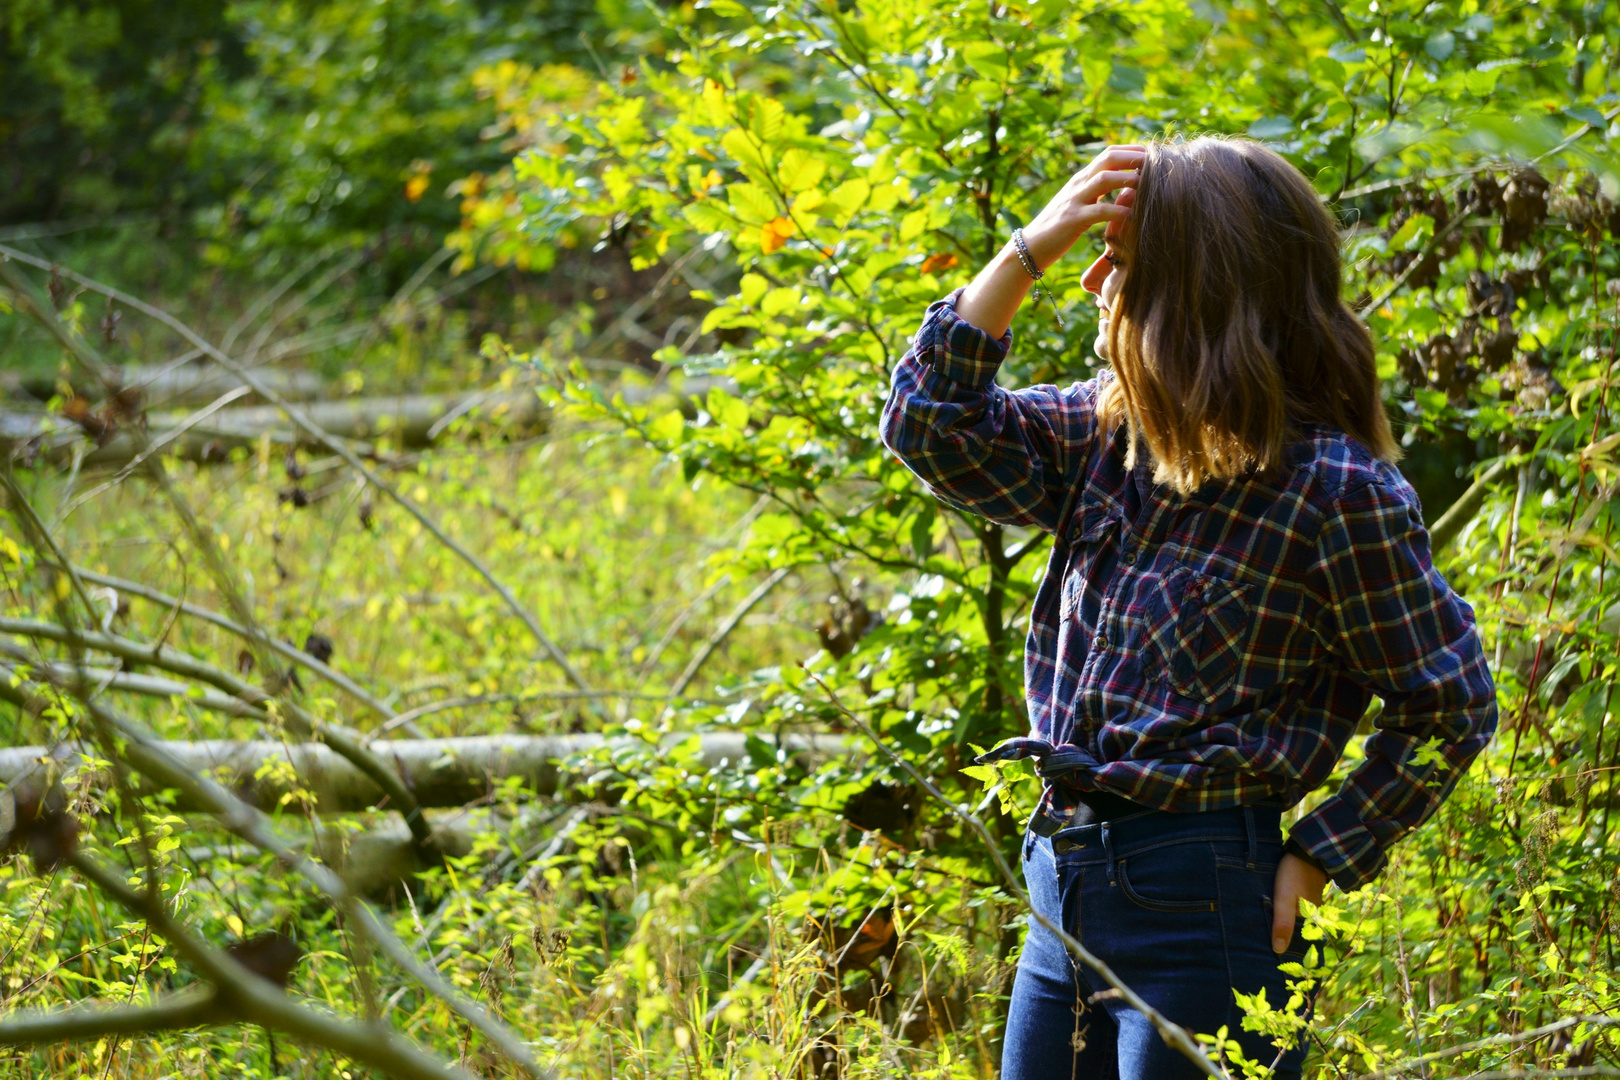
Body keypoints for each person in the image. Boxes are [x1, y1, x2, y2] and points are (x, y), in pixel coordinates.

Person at [878, 136, 1497, 1079]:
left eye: (1122, 266)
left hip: (1206, 906)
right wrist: (1025, 252)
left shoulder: (1335, 492)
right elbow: (930, 421)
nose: (1093, 283)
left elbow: (1448, 704)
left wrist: (1322, 855)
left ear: (1193, 294)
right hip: (1061, 885)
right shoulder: (1106, 436)